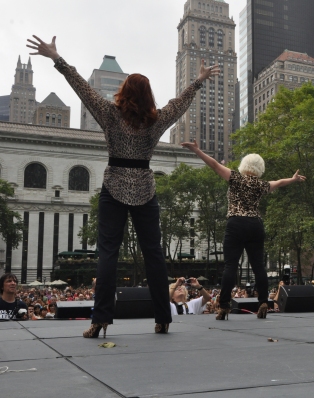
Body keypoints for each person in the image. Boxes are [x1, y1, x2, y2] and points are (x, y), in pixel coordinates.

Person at [27, 35, 220, 338]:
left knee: (107, 254)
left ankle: (100, 319)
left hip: (113, 185)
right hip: (145, 189)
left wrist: (56, 57)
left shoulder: (108, 114)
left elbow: (81, 87)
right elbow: (179, 104)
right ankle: (162, 318)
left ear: (124, 91)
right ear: (148, 95)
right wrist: (198, 81)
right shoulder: (157, 121)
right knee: (154, 255)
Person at [181, 145, 305, 321]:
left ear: (244, 165)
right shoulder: (261, 185)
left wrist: (197, 150)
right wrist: (293, 179)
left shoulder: (235, 178)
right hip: (255, 224)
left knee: (231, 265)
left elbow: (215, 164)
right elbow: (279, 182)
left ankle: (224, 306)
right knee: (258, 266)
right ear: (260, 168)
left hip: (236, 223)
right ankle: (263, 302)